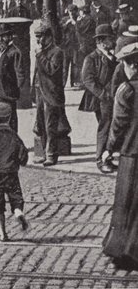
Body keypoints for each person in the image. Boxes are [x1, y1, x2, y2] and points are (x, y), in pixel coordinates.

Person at [101, 42, 138, 270]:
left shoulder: (127, 90)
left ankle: (123, 250)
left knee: (125, 204)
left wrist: (109, 149)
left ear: (132, 65)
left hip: (131, 154)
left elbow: (118, 124)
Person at [0, 100, 30, 242]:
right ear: (9, 118)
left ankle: (3, 233)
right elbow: (23, 155)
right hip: (10, 173)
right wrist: (19, 162)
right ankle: (17, 211)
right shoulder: (14, 136)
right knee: (15, 196)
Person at [32, 20, 71, 166]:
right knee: (40, 125)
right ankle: (43, 152)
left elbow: (51, 70)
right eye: (37, 37)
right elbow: (37, 73)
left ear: (49, 37)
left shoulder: (57, 52)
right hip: (40, 92)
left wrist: (41, 55)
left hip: (52, 94)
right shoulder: (40, 52)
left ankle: (52, 154)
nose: (38, 40)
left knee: (51, 126)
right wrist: (33, 90)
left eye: (40, 37)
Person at [81, 24, 118, 173]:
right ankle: (100, 159)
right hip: (101, 100)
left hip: (112, 98)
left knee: (111, 128)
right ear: (102, 41)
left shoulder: (112, 57)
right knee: (104, 127)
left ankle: (107, 158)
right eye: (110, 38)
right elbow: (88, 80)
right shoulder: (92, 58)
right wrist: (103, 95)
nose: (113, 41)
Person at [0, 26, 23, 130]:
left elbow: (20, 73)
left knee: (11, 118)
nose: (0, 40)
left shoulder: (14, 52)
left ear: (9, 37)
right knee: (0, 116)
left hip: (9, 93)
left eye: (3, 37)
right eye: (0, 37)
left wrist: (16, 89)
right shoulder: (1, 51)